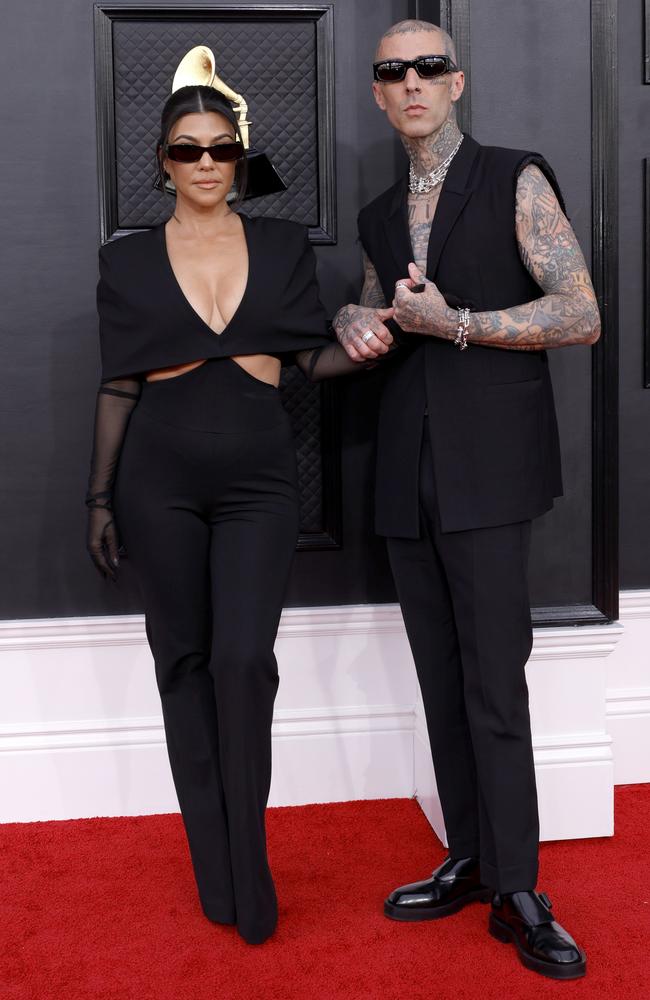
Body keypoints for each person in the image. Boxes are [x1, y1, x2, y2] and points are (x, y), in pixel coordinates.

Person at [333, 19, 600, 980]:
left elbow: (581, 312)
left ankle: (522, 888)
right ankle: (475, 859)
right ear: (376, 93)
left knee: (494, 679)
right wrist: (354, 315)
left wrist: (462, 324)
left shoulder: (515, 177)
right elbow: (377, 305)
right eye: (392, 72)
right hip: (406, 469)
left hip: (491, 468)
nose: (411, 83)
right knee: (440, 680)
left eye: (428, 68)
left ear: (457, 83)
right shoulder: (374, 214)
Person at [85, 84, 366, 945]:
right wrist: (99, 497)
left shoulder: (282, 246)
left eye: (219, 148)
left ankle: (251, 861)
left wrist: (365, 345)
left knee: (245, 663)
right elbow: (118, 384)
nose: (205, 163)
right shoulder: (124, 260)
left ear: (237, 160)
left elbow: (303, 360)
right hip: (156, 478)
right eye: (187, 149)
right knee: (186, 665)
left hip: (257, 479)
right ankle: (217, 867)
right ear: (163, 164)